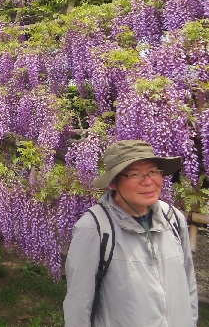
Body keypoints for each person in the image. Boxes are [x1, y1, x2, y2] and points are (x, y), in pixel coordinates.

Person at [63, 140, 198, 327]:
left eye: (153, 172)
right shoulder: (94, 227)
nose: (148, 182)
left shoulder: (173, 219)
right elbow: (78, 303)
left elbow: (188, 281)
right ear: (113, 182)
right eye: (134, 174)